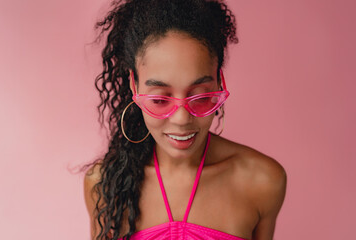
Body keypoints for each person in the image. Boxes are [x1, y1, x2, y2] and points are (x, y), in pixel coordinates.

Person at [83, 0, 287, 239]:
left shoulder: (263, 181)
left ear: (220, 82)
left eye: (200, 96)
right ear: (133, 85)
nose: (181, 119)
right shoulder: (105, 184)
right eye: (160, 100)